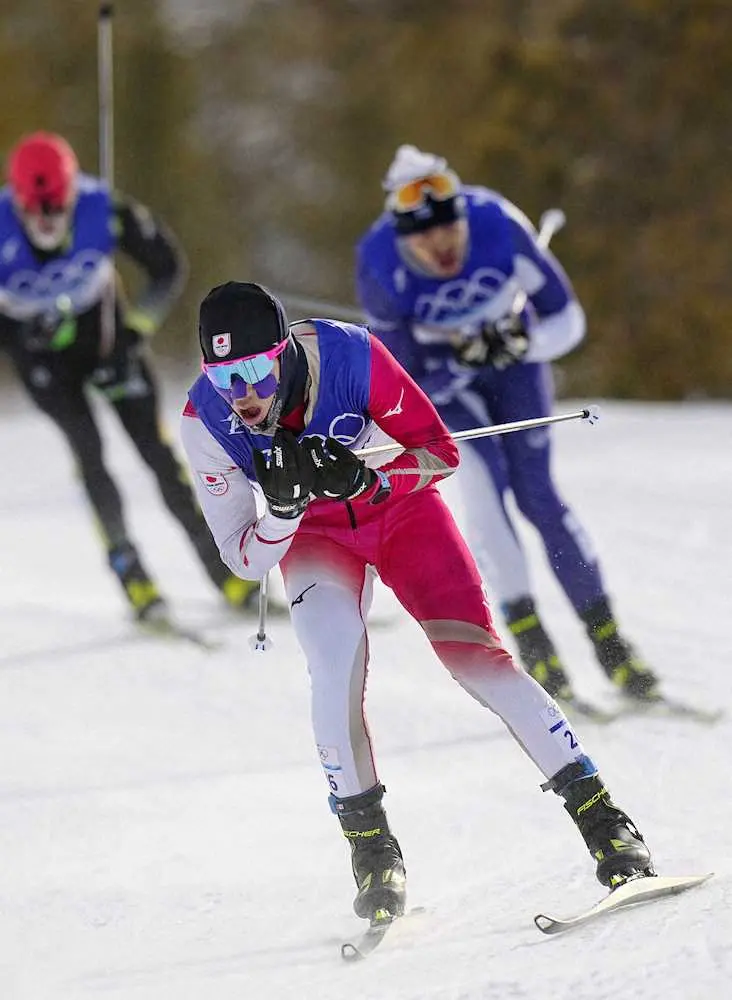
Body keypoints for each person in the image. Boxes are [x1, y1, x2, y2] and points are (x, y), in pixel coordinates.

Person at [180, 279, 654, 924]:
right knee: (332, 672)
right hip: (316, 536)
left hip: (401, 514)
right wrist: (287, 511)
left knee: (476, 659)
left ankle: (607, 825)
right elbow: (242, 558)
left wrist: (368, 477)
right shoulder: (204, 419)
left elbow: (439, 451)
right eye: (225, 376)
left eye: (258, 369)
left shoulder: (351, 356)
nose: (247, 395)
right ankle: (373, 853)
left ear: (286, 351)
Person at [355, 144, 659, 706]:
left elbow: (568, 319)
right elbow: (401, 382)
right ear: (402, 239)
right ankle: (534, 641)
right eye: (423, 238)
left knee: (540, 497)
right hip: (450, 391)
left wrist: (523, 342)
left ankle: (611, 645)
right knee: (485, 487)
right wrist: (458, 360)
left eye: (449, 230)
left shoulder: (498, 225)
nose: (441, 245)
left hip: (516, 373)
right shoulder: (379, 263)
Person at [0, 131, 258, 622]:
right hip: (44, 364)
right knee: (89, 453)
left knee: (159, 455)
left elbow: (168, 266)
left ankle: (224, 571)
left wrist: (134, 332)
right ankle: (132, 575)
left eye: (60, 209)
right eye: (38, 213)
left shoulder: (106, 209)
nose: (50, 222)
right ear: (17, 202)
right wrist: (17, 335)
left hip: (107, 343)